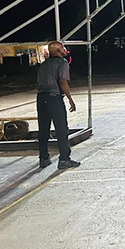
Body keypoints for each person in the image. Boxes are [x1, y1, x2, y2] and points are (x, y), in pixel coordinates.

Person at [36, 41, 80, 169]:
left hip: (41, 98)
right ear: (58, 52)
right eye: (63, 48)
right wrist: (70, 99)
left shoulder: (43, 65)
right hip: (54, 98)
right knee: (61, 129)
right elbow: (62, 81)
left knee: (43, 128)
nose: (65, 50)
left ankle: (43, 158)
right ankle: (64, 159)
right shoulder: (63, 63)